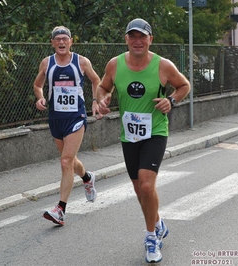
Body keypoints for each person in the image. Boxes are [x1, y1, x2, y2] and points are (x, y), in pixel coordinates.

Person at [96, 18, 191, 263]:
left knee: (147, 186)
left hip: (155, 132)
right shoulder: (115, 64)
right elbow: (103, 88)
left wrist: (171, 101)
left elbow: (184, 85)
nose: (137, 41)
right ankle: (158, 223)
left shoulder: (163, 65)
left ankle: (151, 237)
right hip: (129, 135)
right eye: (133, 36)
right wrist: (102, 100)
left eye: (142, 37)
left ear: (150, 39)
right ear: (126, 39)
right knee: (139, 190)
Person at [33, 26, 102, 226]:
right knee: (70, 161)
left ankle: (60, 210)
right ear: (52, 42)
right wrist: (40, 98)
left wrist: (95, 100)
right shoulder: (47, 63)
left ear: (71, 41)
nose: (61, 42)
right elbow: (37, 85)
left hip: (75, 117)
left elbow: (96, 80)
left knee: (65, 162)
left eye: (65, 39)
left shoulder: (81, 62)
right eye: (58, 39)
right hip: (56, 118)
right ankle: (88, 178)